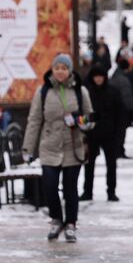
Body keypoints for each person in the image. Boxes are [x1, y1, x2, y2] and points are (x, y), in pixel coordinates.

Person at [24, 54, 94, 243]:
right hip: (49, 146)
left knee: (71, 188)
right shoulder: (43, 92)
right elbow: (35, 120)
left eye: (64, 68)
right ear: (52, 70)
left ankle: (70, 223)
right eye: (57, 68)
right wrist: (28, 148)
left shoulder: (81, 91)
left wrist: (80, 120)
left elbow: (90, 118)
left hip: (73, 146)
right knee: (50, 186)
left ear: (70, 70)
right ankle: (56, 219)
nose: (60, 71)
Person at [81, 63, 125, 202]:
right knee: (89, 165)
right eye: (96, 77)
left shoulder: (113, 92)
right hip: (92, 134)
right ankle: (88, 191)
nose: (98, 79)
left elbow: (120, 115)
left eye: (101, 77)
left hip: (109, 134)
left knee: (111, 165)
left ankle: (111, 191)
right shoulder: (87, 93)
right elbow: (83, 114)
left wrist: (119, 136)